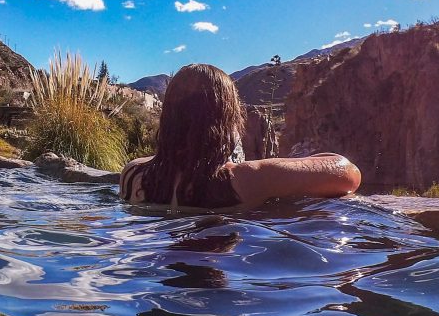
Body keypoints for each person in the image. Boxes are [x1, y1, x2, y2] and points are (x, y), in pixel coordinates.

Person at [119, 63, 361, 210]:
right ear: (224, 121)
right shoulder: (247, 179)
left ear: (169, 117)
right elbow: (348, 173)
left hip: (156, 273)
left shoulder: (133, 174)